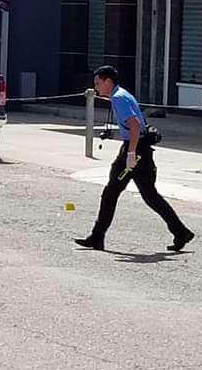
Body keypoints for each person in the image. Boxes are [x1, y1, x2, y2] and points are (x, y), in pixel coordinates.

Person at [75, 66, 195, 253]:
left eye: (98, 83)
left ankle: (97, 237)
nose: (96, 88)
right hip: (139, 149)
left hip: (136, 152)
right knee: (149, 196)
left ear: (108, 81)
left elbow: (134, 125)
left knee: (111, 192)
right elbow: (131, 127)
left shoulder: (118, 98)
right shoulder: (122, 95)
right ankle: (181, 231)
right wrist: (116, 136)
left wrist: (130, 154)